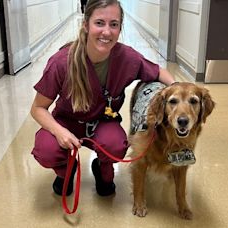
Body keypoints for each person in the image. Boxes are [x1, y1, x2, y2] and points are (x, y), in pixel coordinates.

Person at [30, 0, 175, 197]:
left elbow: (159, 72)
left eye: (113, 24)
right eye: (99, 23)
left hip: (103, 122)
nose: (107, 32)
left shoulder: (126, 57)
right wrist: (59, 132)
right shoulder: (61, 63)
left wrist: (177, 92)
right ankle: (66, 170)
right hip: (67, 122)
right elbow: (38, 108)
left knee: (116, 146)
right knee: (47, 149)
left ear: (120, 28)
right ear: (86, 25)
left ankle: (102, 170)